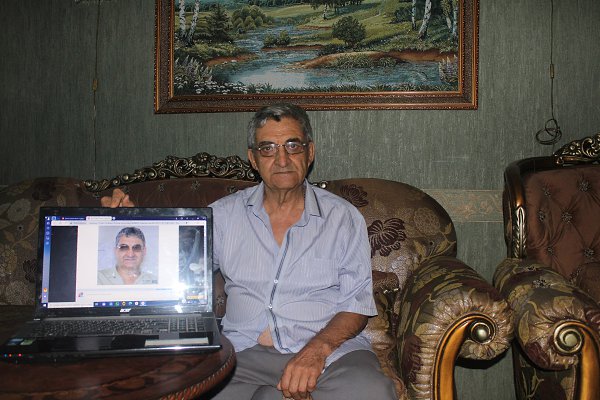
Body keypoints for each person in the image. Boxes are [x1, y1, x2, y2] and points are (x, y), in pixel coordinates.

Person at [102, 103, 397, 400]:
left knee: (373, 392)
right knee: (183, 391)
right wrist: (131, 220)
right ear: (253, 159)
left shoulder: (343, 217)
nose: (282, 159)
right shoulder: (223, 215)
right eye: (268, 148)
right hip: (242, 356)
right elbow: (173, 270)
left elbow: (356, 305)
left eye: (292, 145)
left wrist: (315, 352)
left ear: (310, 152)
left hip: (329, 355)